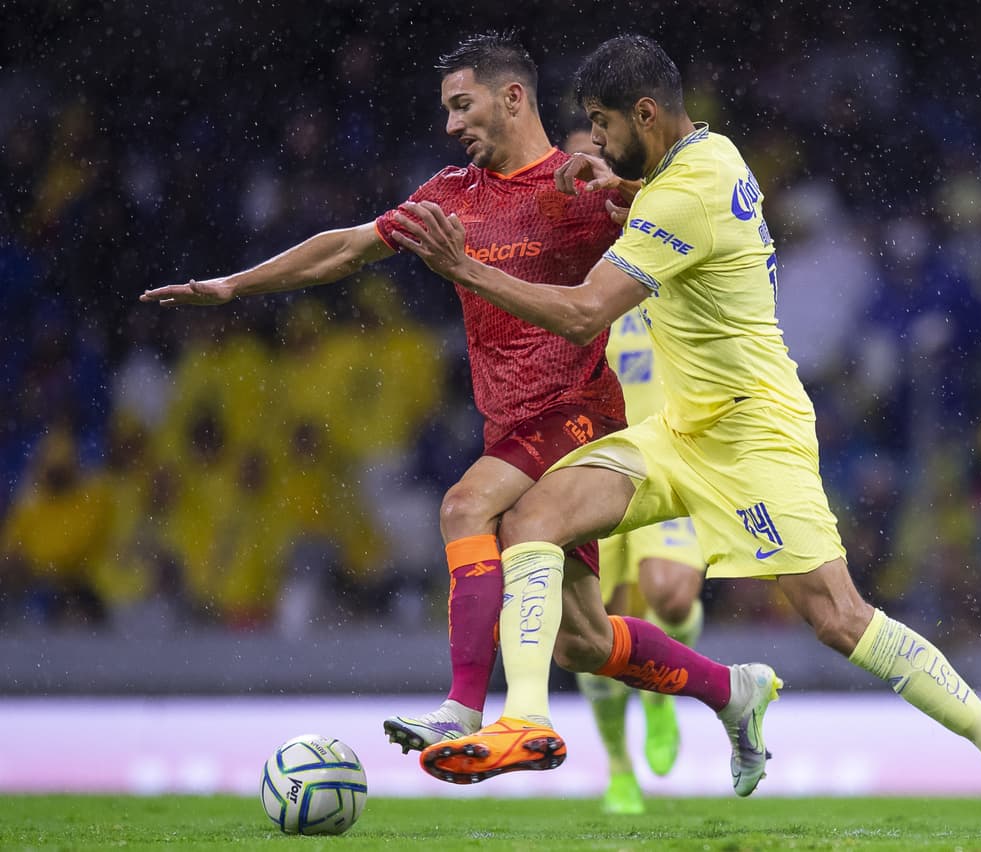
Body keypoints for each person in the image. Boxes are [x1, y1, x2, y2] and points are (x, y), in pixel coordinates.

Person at [389, 34, 981, 830]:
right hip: (681, 427)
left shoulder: (689, 191)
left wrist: (465, 268)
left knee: (839, 619)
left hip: (754, 436)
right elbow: (674, 209)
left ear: (645, 112)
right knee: (533, 515)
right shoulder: (702, 158)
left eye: (605, 127)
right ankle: (526, 720)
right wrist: (623, 189)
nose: (596, 145)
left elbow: (580, 313)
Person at [140, 32, 642, 755]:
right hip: (510, 429)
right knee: (585, 642)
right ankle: (733, 691)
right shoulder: (450, 197)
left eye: (461, 105)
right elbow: (346, 246)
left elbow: (675, 220)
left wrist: (624, 192)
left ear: (513, 97)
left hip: (582, 412)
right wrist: (235, 286)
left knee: (464, 506)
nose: (450, 125)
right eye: (446, 110)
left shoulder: (580, 182)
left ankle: (462, 710)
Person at [565, 127, 709, 816]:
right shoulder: (559, 274)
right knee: (595, 632)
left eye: (598, 167)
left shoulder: (660, 244)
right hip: (584, 464)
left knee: (671, 595)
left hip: (663, 455)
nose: (586, 180)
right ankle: (619, 767)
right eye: (574, 171)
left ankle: (665, 693)